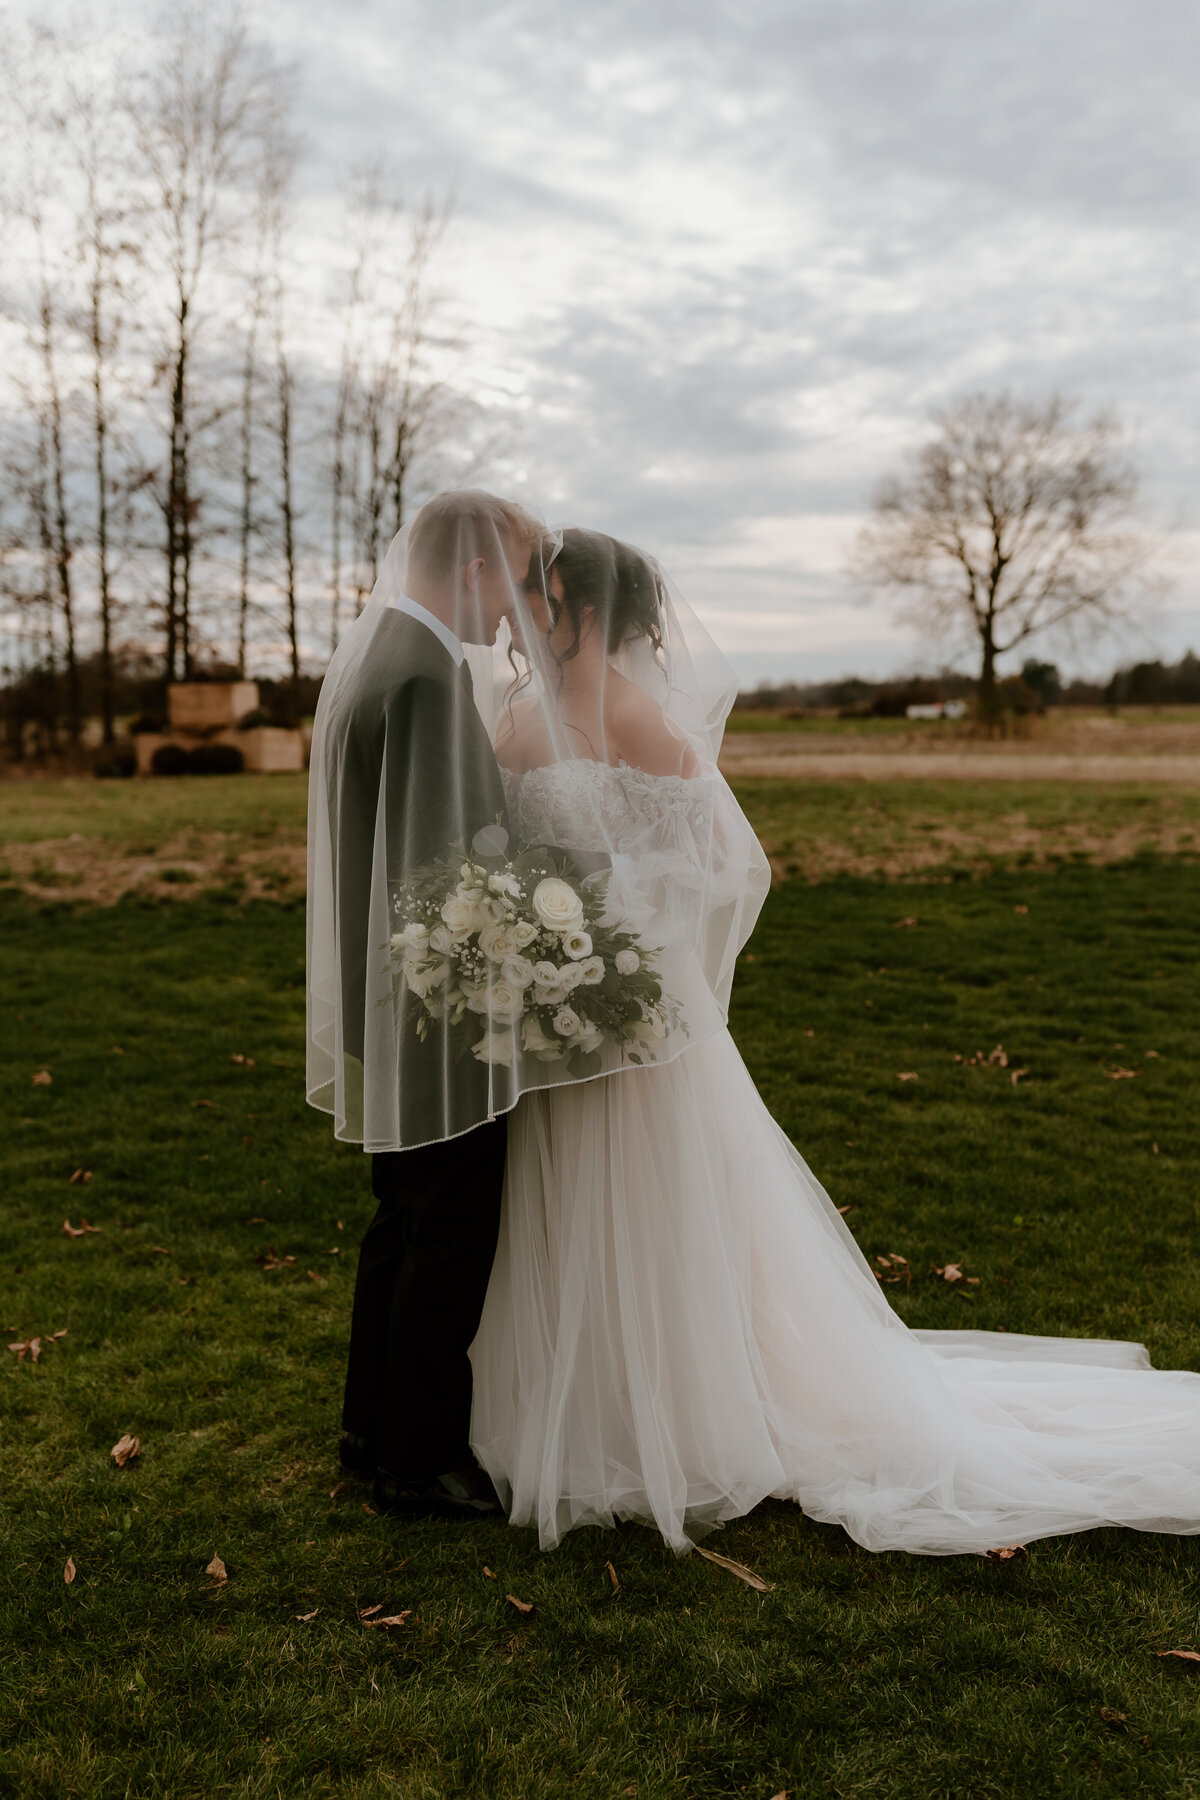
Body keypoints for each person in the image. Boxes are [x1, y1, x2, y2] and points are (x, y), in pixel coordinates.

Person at [467, 525, 1200, 1556]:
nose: (522, 616)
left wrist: (613, 931)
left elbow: (727, 860)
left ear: (584, 610)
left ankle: (678, 1415)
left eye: (540, 598)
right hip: (559, 1017)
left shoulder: (636, 716)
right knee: (562, 1201)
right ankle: (583, 1405)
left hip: (636, 1019)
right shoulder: (512, 714)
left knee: (648, 1206)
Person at [306, 489, 552, 1518]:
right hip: (440, 997)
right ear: (474, 570)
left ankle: (371, 1428)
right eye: (513, 585)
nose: (514, 615)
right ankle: (419, 1459)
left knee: (399, 1223)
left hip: (385, 989)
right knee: (449, 1231)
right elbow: (466, 862)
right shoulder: (426, 676)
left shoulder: (371, 658)